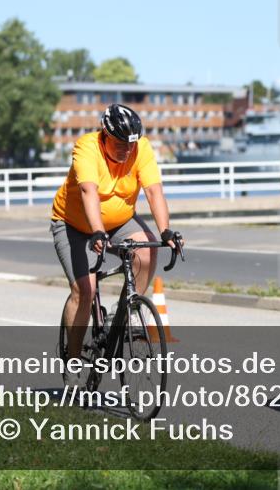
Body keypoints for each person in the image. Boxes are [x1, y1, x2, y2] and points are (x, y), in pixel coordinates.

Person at [51, 103, 182, 367]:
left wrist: (165, 230)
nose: (128, 150)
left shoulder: (140, 148)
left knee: (146, 248)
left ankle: (126, 313)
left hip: (119, 221)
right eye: (121, 143)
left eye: (131, 144)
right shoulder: (86, 148)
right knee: (84, 291)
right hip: (74, 224)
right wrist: (97, 231)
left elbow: (154, 191)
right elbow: (89, 192)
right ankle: (74, 362)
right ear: (105, 135)